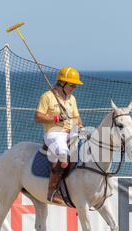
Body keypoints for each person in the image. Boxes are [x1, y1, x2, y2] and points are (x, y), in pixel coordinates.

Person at [35, 67, 84, 205]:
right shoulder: (47, 97)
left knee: (88, 147)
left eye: (75, 85)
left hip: (71, 132)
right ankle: (52, 192)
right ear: (62, 83)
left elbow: (76, 118)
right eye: (72, 85)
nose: (74, 88)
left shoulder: (71, 99)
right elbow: (38, 117)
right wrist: (55, 118)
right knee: (64, 157)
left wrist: (81, 127)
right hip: (54, 133)